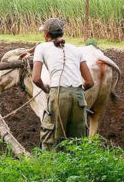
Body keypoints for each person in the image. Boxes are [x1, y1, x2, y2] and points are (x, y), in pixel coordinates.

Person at [31, 18, 95, 150]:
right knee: (77, 142)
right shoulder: (76, 50)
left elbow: (36, 78)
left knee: (53, 139)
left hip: (58, 95)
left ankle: (51, 167)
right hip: (79, 97)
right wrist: (77, 91)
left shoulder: (41, 48)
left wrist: (46, 89)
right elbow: (90, 82)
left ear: (47, 34)